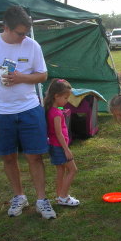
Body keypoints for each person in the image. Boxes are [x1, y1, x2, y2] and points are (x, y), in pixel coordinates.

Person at [0, 5, 56, 219]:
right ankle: (19, 196)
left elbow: (43, 75)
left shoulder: (32, 46)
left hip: (29, 109)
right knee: (8, 158)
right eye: (20, 33)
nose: (23, 38)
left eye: (26, 33)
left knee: (35, 157)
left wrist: (22, 78)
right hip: (0, 113)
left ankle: (41, 200)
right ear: (6, 28)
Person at [44, 78, 79, 206]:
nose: (67, 100)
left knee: (60, 171)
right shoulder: (57, 113)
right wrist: (66, 149)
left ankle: (59, 195)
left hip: (53, 145)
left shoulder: (51, 110)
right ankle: (63, 197)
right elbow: (59, 133)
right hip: (59, 146)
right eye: (65, 97)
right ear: (56, 96)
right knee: (73, 170)